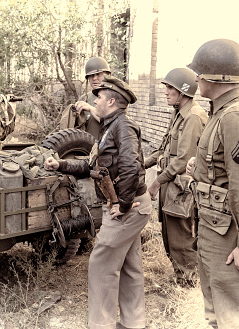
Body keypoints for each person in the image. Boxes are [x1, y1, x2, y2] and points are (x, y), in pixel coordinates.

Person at [44, 75, 152, 329]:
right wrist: (61, 164)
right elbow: (92, 166)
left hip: (129, 207)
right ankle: (133, 323)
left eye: (99, 97)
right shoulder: (110, 127)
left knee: (101, 264)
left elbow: (131, 167)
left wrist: (123, 204)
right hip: (131, 205)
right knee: (129, 266)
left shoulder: (122, 126)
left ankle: (100, 325)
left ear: (111, 101)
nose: (95, 101)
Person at [186, 39, 239, 328]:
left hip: (230, 237)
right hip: (216, 229)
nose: (195, 78)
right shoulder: (220, 112)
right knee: (217, 313)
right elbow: (222, 168)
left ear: (214, 78)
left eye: (199, 73)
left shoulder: (235, 116)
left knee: (236, 318)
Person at [144, 68, 208, 287]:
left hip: (182, 190)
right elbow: (163, 149)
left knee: (182, 239)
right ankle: (180, 279)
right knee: (169, 237)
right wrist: (142, 164)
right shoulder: (178, 113)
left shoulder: (193, 117)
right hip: (172, 188)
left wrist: (155, 183)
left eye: (171, 87)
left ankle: (187, 286)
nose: (166, 92)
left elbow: (182, 160)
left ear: (183, 91)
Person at [58, 56, 111, 139]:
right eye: (91, 75)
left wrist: (90, 108)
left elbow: (113, 123)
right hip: (86, 147)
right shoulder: (84, 98)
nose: (94, 78)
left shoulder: (114, 97)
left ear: (107, 75)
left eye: (98, 74)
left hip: (106, 147)